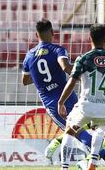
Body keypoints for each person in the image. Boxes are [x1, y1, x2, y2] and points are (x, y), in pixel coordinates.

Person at [21, 19, 92, 159]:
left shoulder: (29, 55)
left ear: (37, 34)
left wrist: (39, 77)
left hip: (52, 102)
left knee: (74, 130)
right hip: (68, 95)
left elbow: (25, 81)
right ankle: (98, 154)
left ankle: (101, 154)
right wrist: (83, 72)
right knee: (79, 127)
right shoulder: (58, 49)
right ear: (52, 33)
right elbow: (65, 67)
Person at [57, 24, 105, 170]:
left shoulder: (84, 58)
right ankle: (93, 162)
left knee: (70, 129)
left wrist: (61, 102)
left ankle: (64, 167)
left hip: (87, 105)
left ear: (89, 38)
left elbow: (72, 82)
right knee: (100, 128)